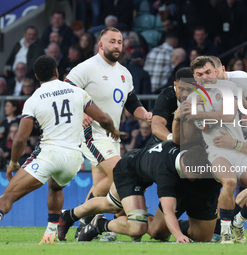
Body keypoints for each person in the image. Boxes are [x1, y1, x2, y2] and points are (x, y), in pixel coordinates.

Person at [0, 55, 119, 243]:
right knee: (56, 188)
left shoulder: (33, 99)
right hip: (73, 159)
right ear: (56, 72)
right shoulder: (76, 91)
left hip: (49, 154)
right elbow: (105, 119)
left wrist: (13, 162)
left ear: (36, 76)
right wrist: (113, 129)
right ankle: (50, 232)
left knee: (8, 194)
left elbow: (20, 139)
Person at [58, 106, 222, 243]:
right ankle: (96, 222)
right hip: (129, 170)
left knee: (203, 237)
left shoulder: (193, 154)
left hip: (145, 167)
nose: (198, 178)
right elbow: (168, 209)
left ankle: (72, 215)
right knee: (130, 221)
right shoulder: (167, 172)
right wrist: (178, 236)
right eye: (195, 175)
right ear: (185, 168)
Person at [63, 27, 152, 238]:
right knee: (123, 174)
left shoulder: (124, 72)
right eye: (112, 41)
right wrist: (80, 112)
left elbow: (132, 102)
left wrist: (145, 115)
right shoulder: (86, 68)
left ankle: (86, 224)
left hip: (112, 135)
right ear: (101, 45)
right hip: (91, 133)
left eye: (120, 42)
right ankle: (85, 219)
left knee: (104, 186)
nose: (117, 46)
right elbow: (66, 93)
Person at [187, 56, 247, 244]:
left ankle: (237, 223)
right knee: (230, 182)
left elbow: (228, 114)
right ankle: (225, 231)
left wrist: (198, 114)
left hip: (238, 148)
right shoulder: (193, 97)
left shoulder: (229, 88)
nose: (205, 77)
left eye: (208, 72)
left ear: (216, 71)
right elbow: (203, 126)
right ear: (195, 77)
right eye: (200, 74)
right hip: (216, 152)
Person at [148, 67, 195, 146]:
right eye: (181, 89)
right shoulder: (167, 95)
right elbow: (156, 125)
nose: (185, 94)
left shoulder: (203, 97)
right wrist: (173, 138)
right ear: (175, 85)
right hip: (165, 140)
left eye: (190, 90)